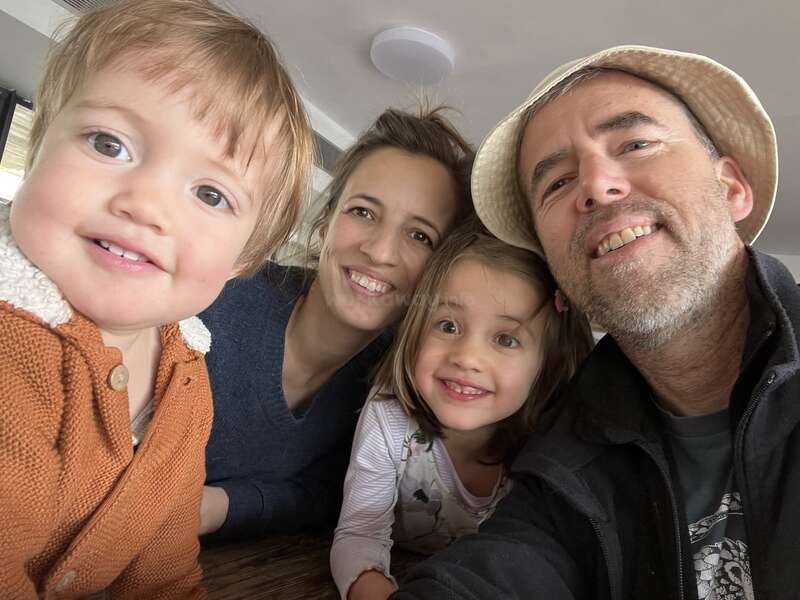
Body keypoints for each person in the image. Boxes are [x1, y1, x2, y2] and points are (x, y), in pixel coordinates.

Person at [394, 45, 800, 599]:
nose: (595, 184)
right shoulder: (562, 452)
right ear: (558, 272)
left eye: (635, 144)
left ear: (730, 187)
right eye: (556, 183)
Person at [0, 0, 313, 596]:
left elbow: (163, 567)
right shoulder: (11, 340)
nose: (146, 203)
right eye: (108, 143)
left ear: (245, 259)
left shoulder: (186, 378)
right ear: (37, 143)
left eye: (210, 194)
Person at [199, 107, 476, 541]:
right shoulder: (217, 295)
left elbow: (325, 495)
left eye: (420, 235)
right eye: (364, 212)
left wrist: (221, 507)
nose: (381, 251)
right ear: (327, 222)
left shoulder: (392, 388)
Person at [330, 223, 593, 600]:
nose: (467, 358)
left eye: (506, 339)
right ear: (415, 331)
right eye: (448, 326)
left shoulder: (554, 441)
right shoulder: (389, 414)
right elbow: (359, 534)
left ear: (546, 363)